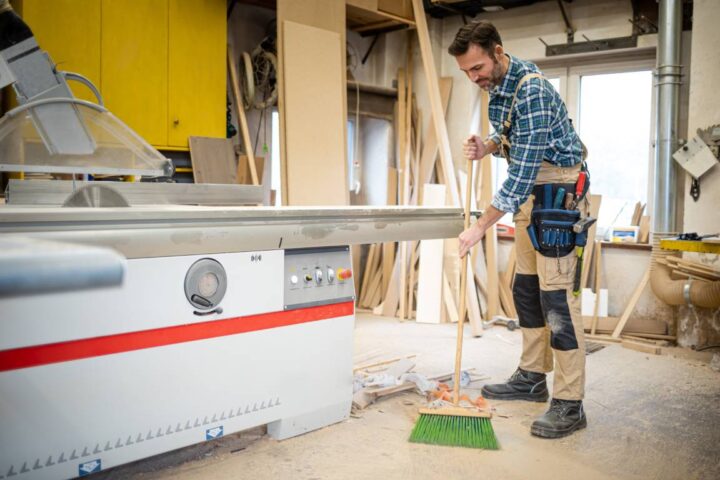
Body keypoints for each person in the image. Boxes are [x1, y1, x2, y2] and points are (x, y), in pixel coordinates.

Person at [449, 20, 591, 439]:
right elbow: (512, 134)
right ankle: (532, 376)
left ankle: (569, 401)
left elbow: (524, 172)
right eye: (466, 72)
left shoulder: (532, 89)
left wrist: (478, 227)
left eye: (477, 68)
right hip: (533, 193)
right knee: (527, 289)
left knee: (558, 300)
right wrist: (488, 146)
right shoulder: (501, 83)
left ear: (497, 51)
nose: (474, 78)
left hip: (558, 192)